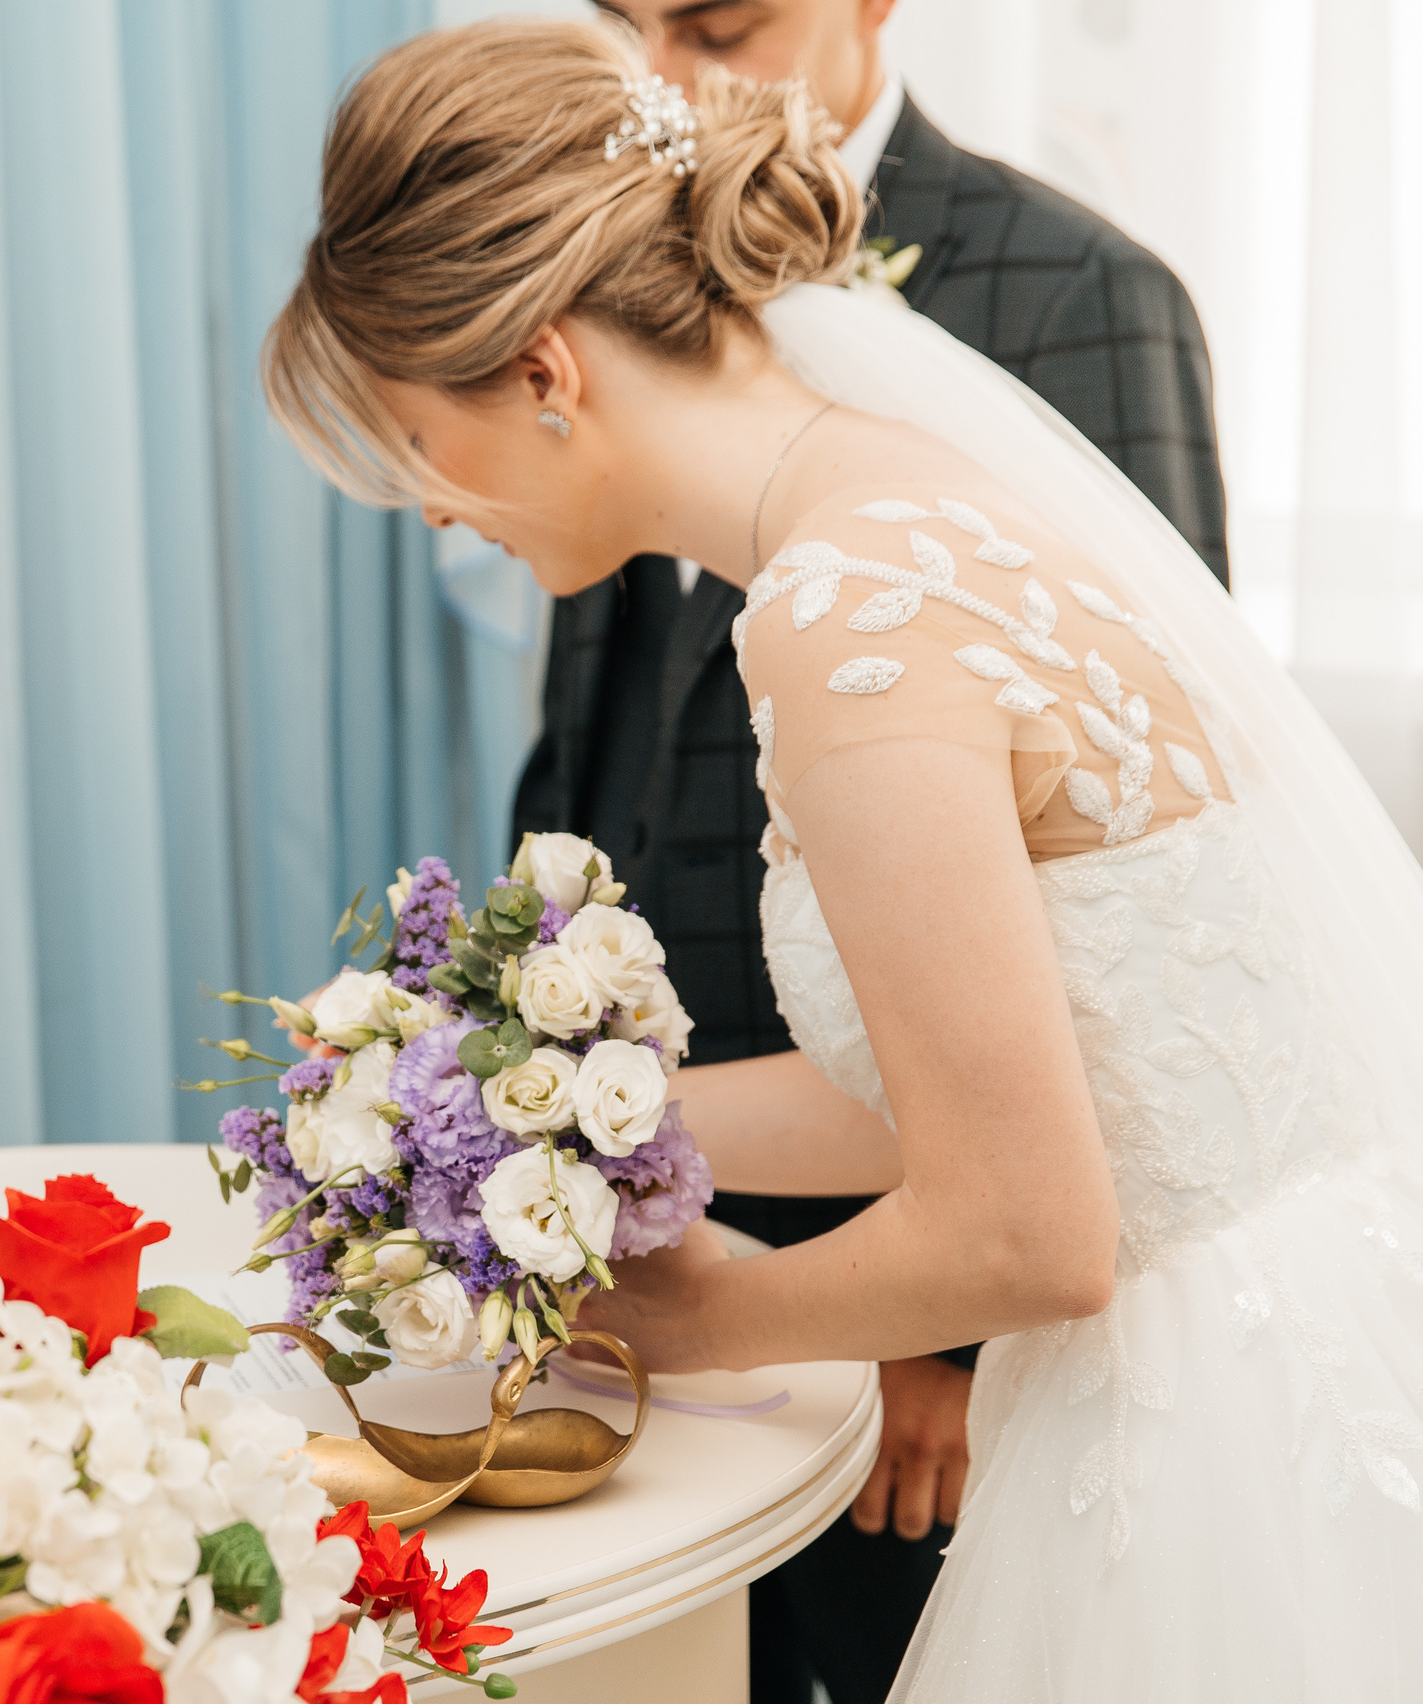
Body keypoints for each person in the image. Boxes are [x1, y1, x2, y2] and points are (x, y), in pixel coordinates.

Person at [262, 17, 1423, 1700]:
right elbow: (998, 1066)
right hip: (1322, 1313)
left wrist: (666, 1320)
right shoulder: (903, 492)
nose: (427, 509)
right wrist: (519, 1131)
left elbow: (1031, 1233)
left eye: (415, 444)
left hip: (1213, 1409)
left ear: (546, 375)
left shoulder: (845, 618)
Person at [510, 4, 1224, 1698]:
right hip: (711, 1142)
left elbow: (1127, 865)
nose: (665, 79)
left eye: (720, 25)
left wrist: (946, 1335)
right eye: (626, 26)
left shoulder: (1071, 293)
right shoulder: (594, 269)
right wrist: (540, 1096)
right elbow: (597, 739)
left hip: (963, 1233)